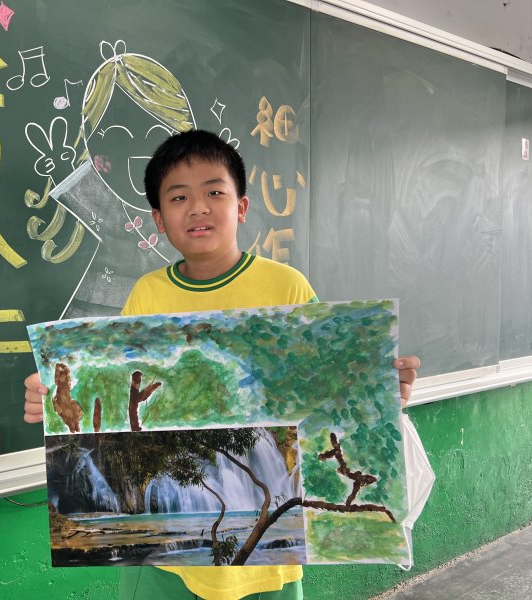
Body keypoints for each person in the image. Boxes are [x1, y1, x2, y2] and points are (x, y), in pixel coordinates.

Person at [24, 129, 420, 600]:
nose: (198, 208)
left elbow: (329, 395)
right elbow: (116, 401)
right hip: (163, 564)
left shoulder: (287, 288)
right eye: (179, 197)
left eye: (215, 192)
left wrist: (381, 390)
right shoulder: (148, 295)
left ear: (242, 207)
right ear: (158, 219)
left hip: (267, 563)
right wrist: (56, 399)